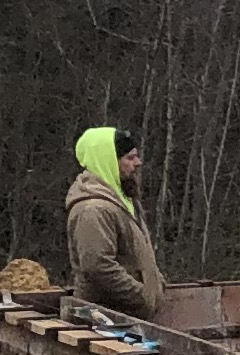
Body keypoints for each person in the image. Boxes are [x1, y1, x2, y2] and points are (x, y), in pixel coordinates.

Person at [66, 126, 166, 319]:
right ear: (109, 161)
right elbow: (97, 266)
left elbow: (136, 253)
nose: (138, 163)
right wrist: (142, 295)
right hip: (104, 323)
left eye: (136, 156)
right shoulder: (94, 209)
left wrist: (156, 282)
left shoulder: (122, 200)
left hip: (124, 318)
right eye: (129, 158)